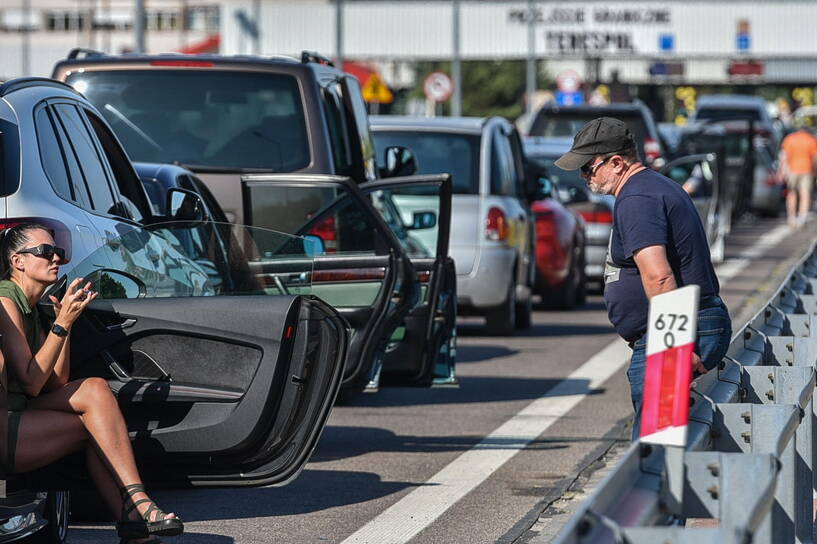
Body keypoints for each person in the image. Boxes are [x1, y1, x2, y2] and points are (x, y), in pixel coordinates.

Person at [0, 224, 183, 543]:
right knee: (96, 426)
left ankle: (134, 518)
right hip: (6, 427)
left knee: (96, 390)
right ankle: (136, 512)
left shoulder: (31, 304)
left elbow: (56, 381)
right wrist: (62, 323)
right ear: (18, 261)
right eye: (46, 252)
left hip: (22, 410)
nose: (57, 258)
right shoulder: (6, 301)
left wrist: (63, 325)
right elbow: (31, 383)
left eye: (59, 252)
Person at [555, 118, 732, 441]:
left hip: (672, 333)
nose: (584, 177)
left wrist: (676, 347)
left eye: (588, 168)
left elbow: (659, 276)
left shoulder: (637, 199)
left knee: (655, 446)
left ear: (617, 162)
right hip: (684, 326)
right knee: (664, 443)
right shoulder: (653, 187)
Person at [779, 126, 817, 227]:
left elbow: (784, 156)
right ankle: (802, 217)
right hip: (807, 170)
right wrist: (815, 171)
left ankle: (791, 217)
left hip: (792, 170)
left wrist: (782, 171)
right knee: (805, 194)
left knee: (791, 193)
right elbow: (815, 158)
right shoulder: (811, 140)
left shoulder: (789, 139)